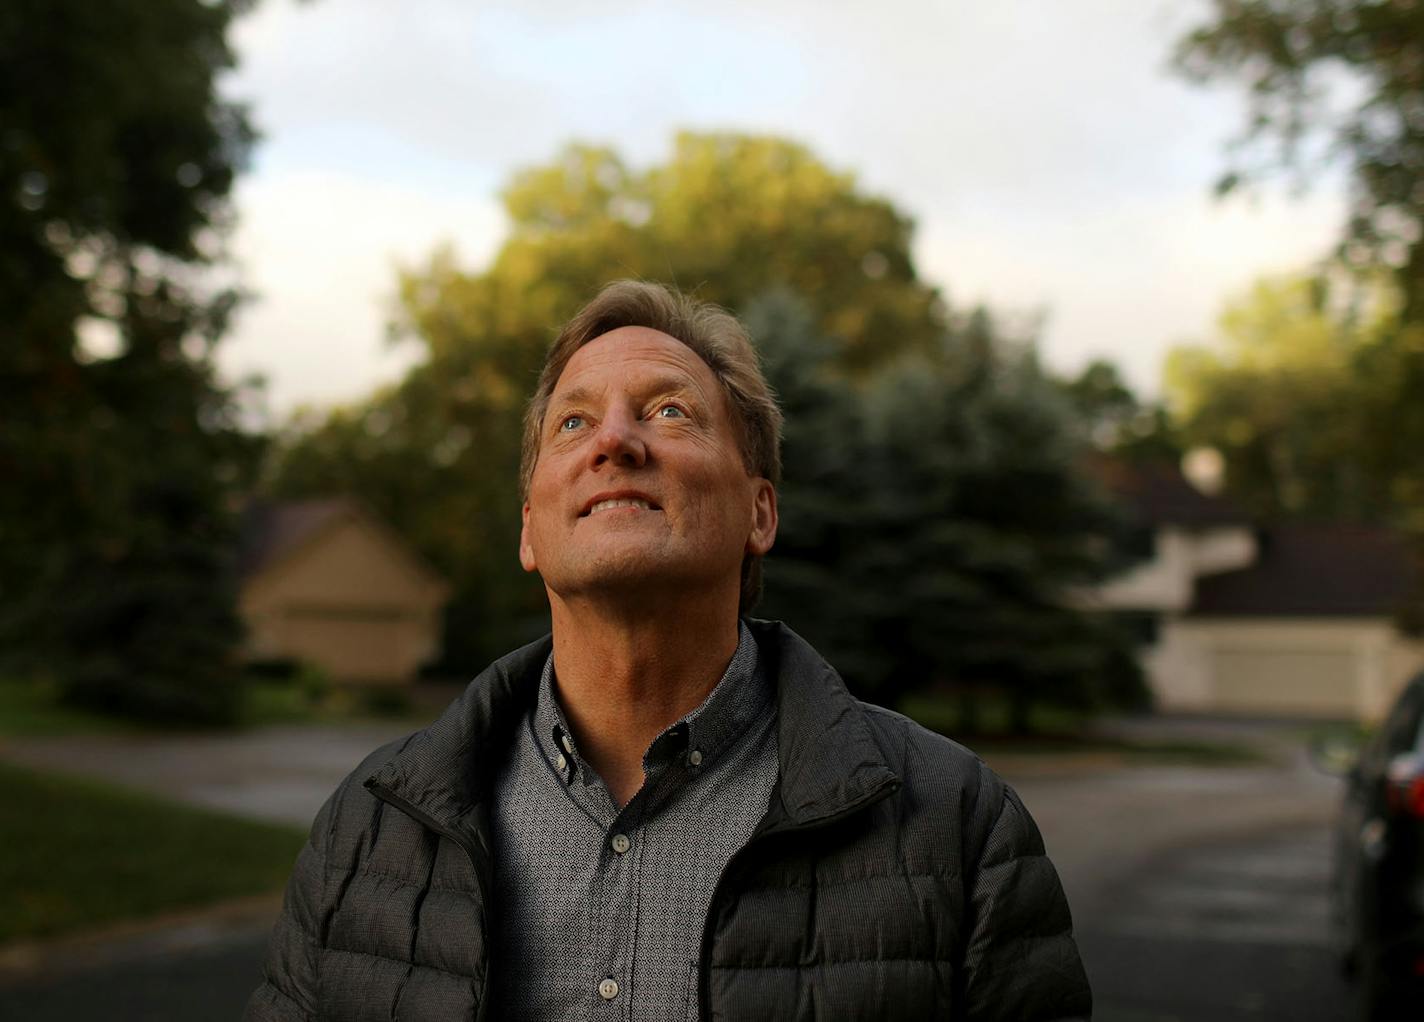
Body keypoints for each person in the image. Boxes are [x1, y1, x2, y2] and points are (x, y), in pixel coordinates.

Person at [245, 280, 1092, 1021]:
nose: (615, 441)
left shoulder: (957, 826)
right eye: (574, 421)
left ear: (760, 514)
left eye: (668, 411)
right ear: (530, 529)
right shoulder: (368, 828)